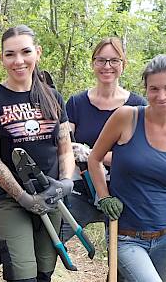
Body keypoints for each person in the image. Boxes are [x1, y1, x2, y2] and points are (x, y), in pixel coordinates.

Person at [88, 54, 166, 281]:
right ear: (146, 89)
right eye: (154, 89)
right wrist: (104, 197)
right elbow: (94, 159)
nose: (161, 96)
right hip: (125, 236)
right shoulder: (126, 117)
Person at [0, 25, 75, 282]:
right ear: (1, 58)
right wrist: (22, 197)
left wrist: (65, 182)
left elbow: (65, 147)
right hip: (11, 200)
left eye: (25, 52)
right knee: (23, 275)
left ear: (37, 53)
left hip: (51, 195)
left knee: (44, 273)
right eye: (10, 54)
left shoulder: (53, 97)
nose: (18, 61)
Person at [60, 38, 147, 239]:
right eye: (101, 60)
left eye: (114, 61)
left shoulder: (137, 107)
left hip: (121, 191)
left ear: (123, 65)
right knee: (52, 238)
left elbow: (139, 157)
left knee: (122, 257)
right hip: (82, 187)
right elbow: (64, 145)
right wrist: (72, 151)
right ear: (93, 64)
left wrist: (93, 154)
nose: (107, 66)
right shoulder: (76, 103)